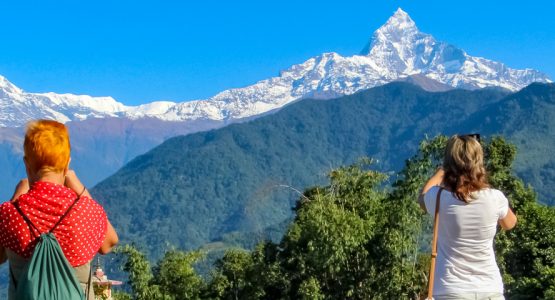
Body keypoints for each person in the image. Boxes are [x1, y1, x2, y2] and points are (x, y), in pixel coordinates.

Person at [0, 119, 118, 299]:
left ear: (26, 164)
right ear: (67, 164)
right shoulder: (86, 212)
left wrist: (16, 198)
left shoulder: (10, 214)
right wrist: (80, 189)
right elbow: (108, 243)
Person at [418, 134, 517, 300]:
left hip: (450, 290)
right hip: (489, 289)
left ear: (449, 163)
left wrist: (441, 172)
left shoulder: (438, 197)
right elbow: (510, 223)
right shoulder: (495, 197)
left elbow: (422, 197)